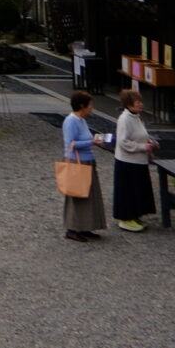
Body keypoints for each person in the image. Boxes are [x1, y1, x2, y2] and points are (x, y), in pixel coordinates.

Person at [62, 89, 109, 241]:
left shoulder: (82, 120)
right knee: (77, 196)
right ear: (82, 106)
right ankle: (73, 228)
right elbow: (71, 144)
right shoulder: (71, 121)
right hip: (78, 161)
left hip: (87, 160)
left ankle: (84, 226)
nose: (91, 108)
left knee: (88, 195)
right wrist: (92, 142)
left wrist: (93, 140)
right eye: (90, 105)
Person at [110, 88, 159, 231]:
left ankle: (136, 215)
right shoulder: (125, 119)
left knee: (138, 189)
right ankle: (126, 218)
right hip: (127, 161)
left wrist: (150, 142)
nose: (140, 104)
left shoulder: (136, 117)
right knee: (128, 191)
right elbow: (123, 142)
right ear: (129, 104)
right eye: (137, 102)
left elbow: (141, 135)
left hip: (138, 160)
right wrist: (143, 147)